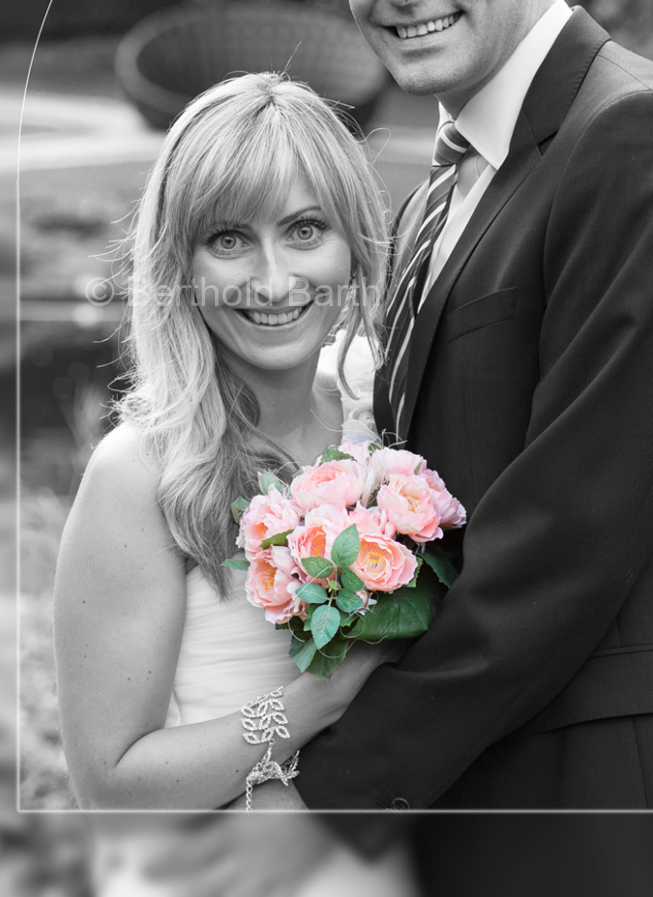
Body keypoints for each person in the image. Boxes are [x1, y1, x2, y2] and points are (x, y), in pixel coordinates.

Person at [140, 0, 653, 896]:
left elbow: (567, 537)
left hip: (610, 815)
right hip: (487, 802)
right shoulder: (440, 194)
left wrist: (328, 797)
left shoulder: (643, 144)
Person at [51, 73, 420, 895]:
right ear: (178, 263)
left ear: (354, 241)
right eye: (228, 239)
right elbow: (111, 789)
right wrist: (316, 700)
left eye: (304, 230)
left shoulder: (381, 411)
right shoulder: (140, 473)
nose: (274, 279)